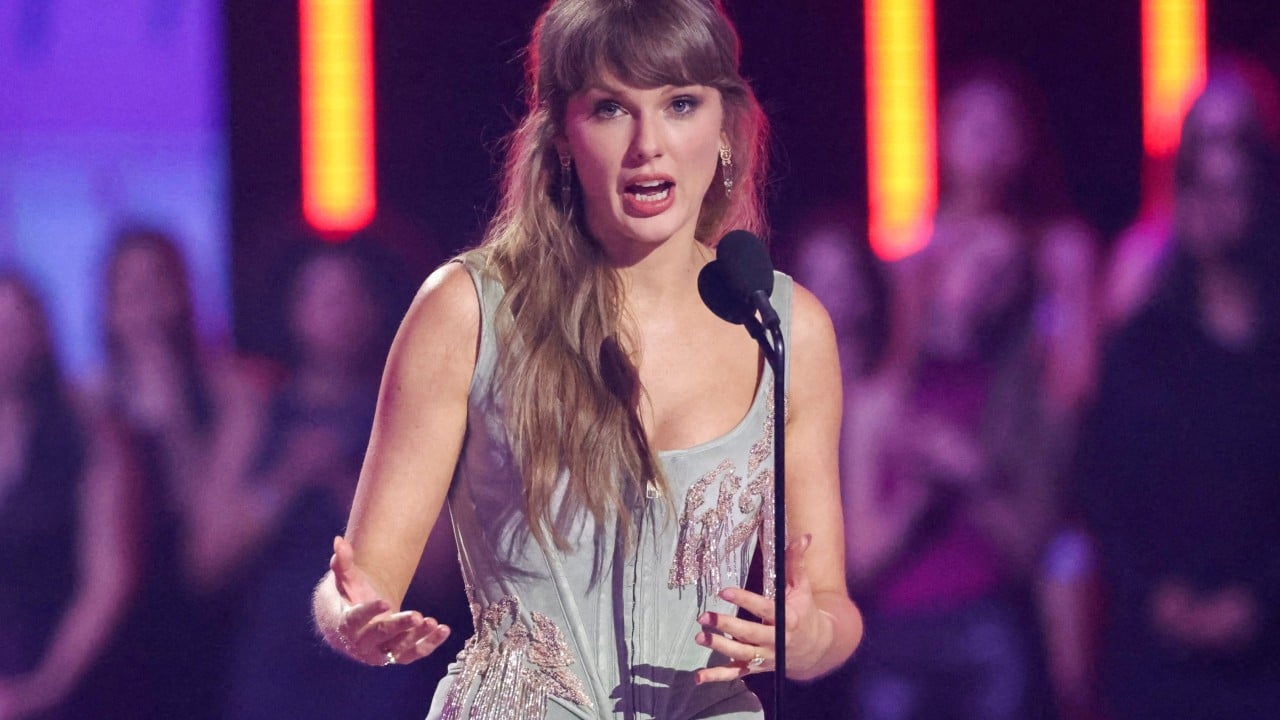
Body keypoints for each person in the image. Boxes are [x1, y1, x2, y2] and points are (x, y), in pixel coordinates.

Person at [311, 1, 863, 718]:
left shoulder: (784, 326)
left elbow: (829, 606)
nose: (648, 145)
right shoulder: (468, 310)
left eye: (680, 105)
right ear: (563, 138)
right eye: (610, 109)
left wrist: (807, 637)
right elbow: (358, 581)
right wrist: (352, 622)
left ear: (726, 127)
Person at [1077, 73, 1280, 720]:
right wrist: (1157, 597)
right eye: (1197, 184)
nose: (1214, 203)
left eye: (1233, 185)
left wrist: (1261, 600)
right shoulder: (1141, 347)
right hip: (1157, 653)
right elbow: (1103, 486)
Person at [0, 272, 137, 720]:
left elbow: (108, 577)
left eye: (16, 324)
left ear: (41, 332)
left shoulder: (87, 434)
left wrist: (44, 687)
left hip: (66, 671)